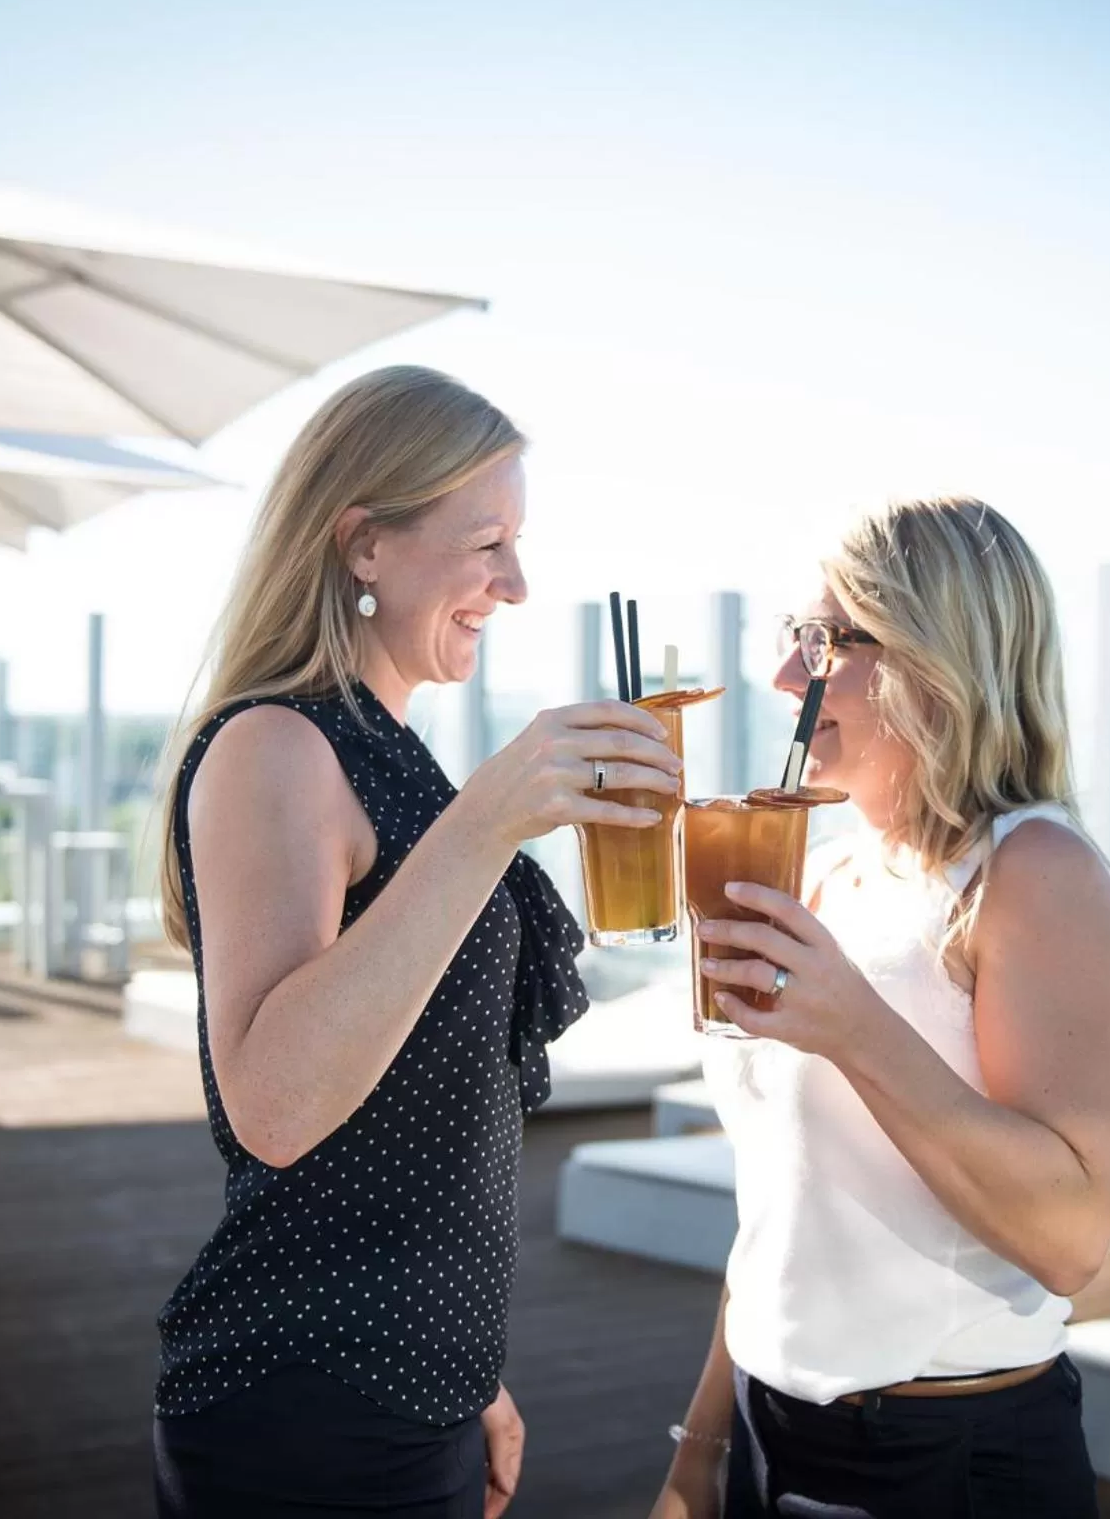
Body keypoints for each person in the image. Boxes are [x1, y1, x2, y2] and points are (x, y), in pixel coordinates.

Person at [151, 364, 681, 1519]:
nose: (517, 582)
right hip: (305, 1411)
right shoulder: (275, 747)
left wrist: (463, 1369)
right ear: (364, 547)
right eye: (486, 540)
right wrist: (491, 818)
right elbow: (276, 1108)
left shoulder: (391, 753)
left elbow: (419, 1124)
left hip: (413, 1389)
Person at [652, 496, 1110, 1519]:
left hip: (938, 1463)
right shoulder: (825, 878)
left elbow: (1070, 1240)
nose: (785, 676)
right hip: (763, 1429)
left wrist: (854, 1029)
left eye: (826, 643)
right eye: (793, 639)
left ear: (935, 661)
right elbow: (778, 1211)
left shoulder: (1031, 874)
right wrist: (698, 1455)